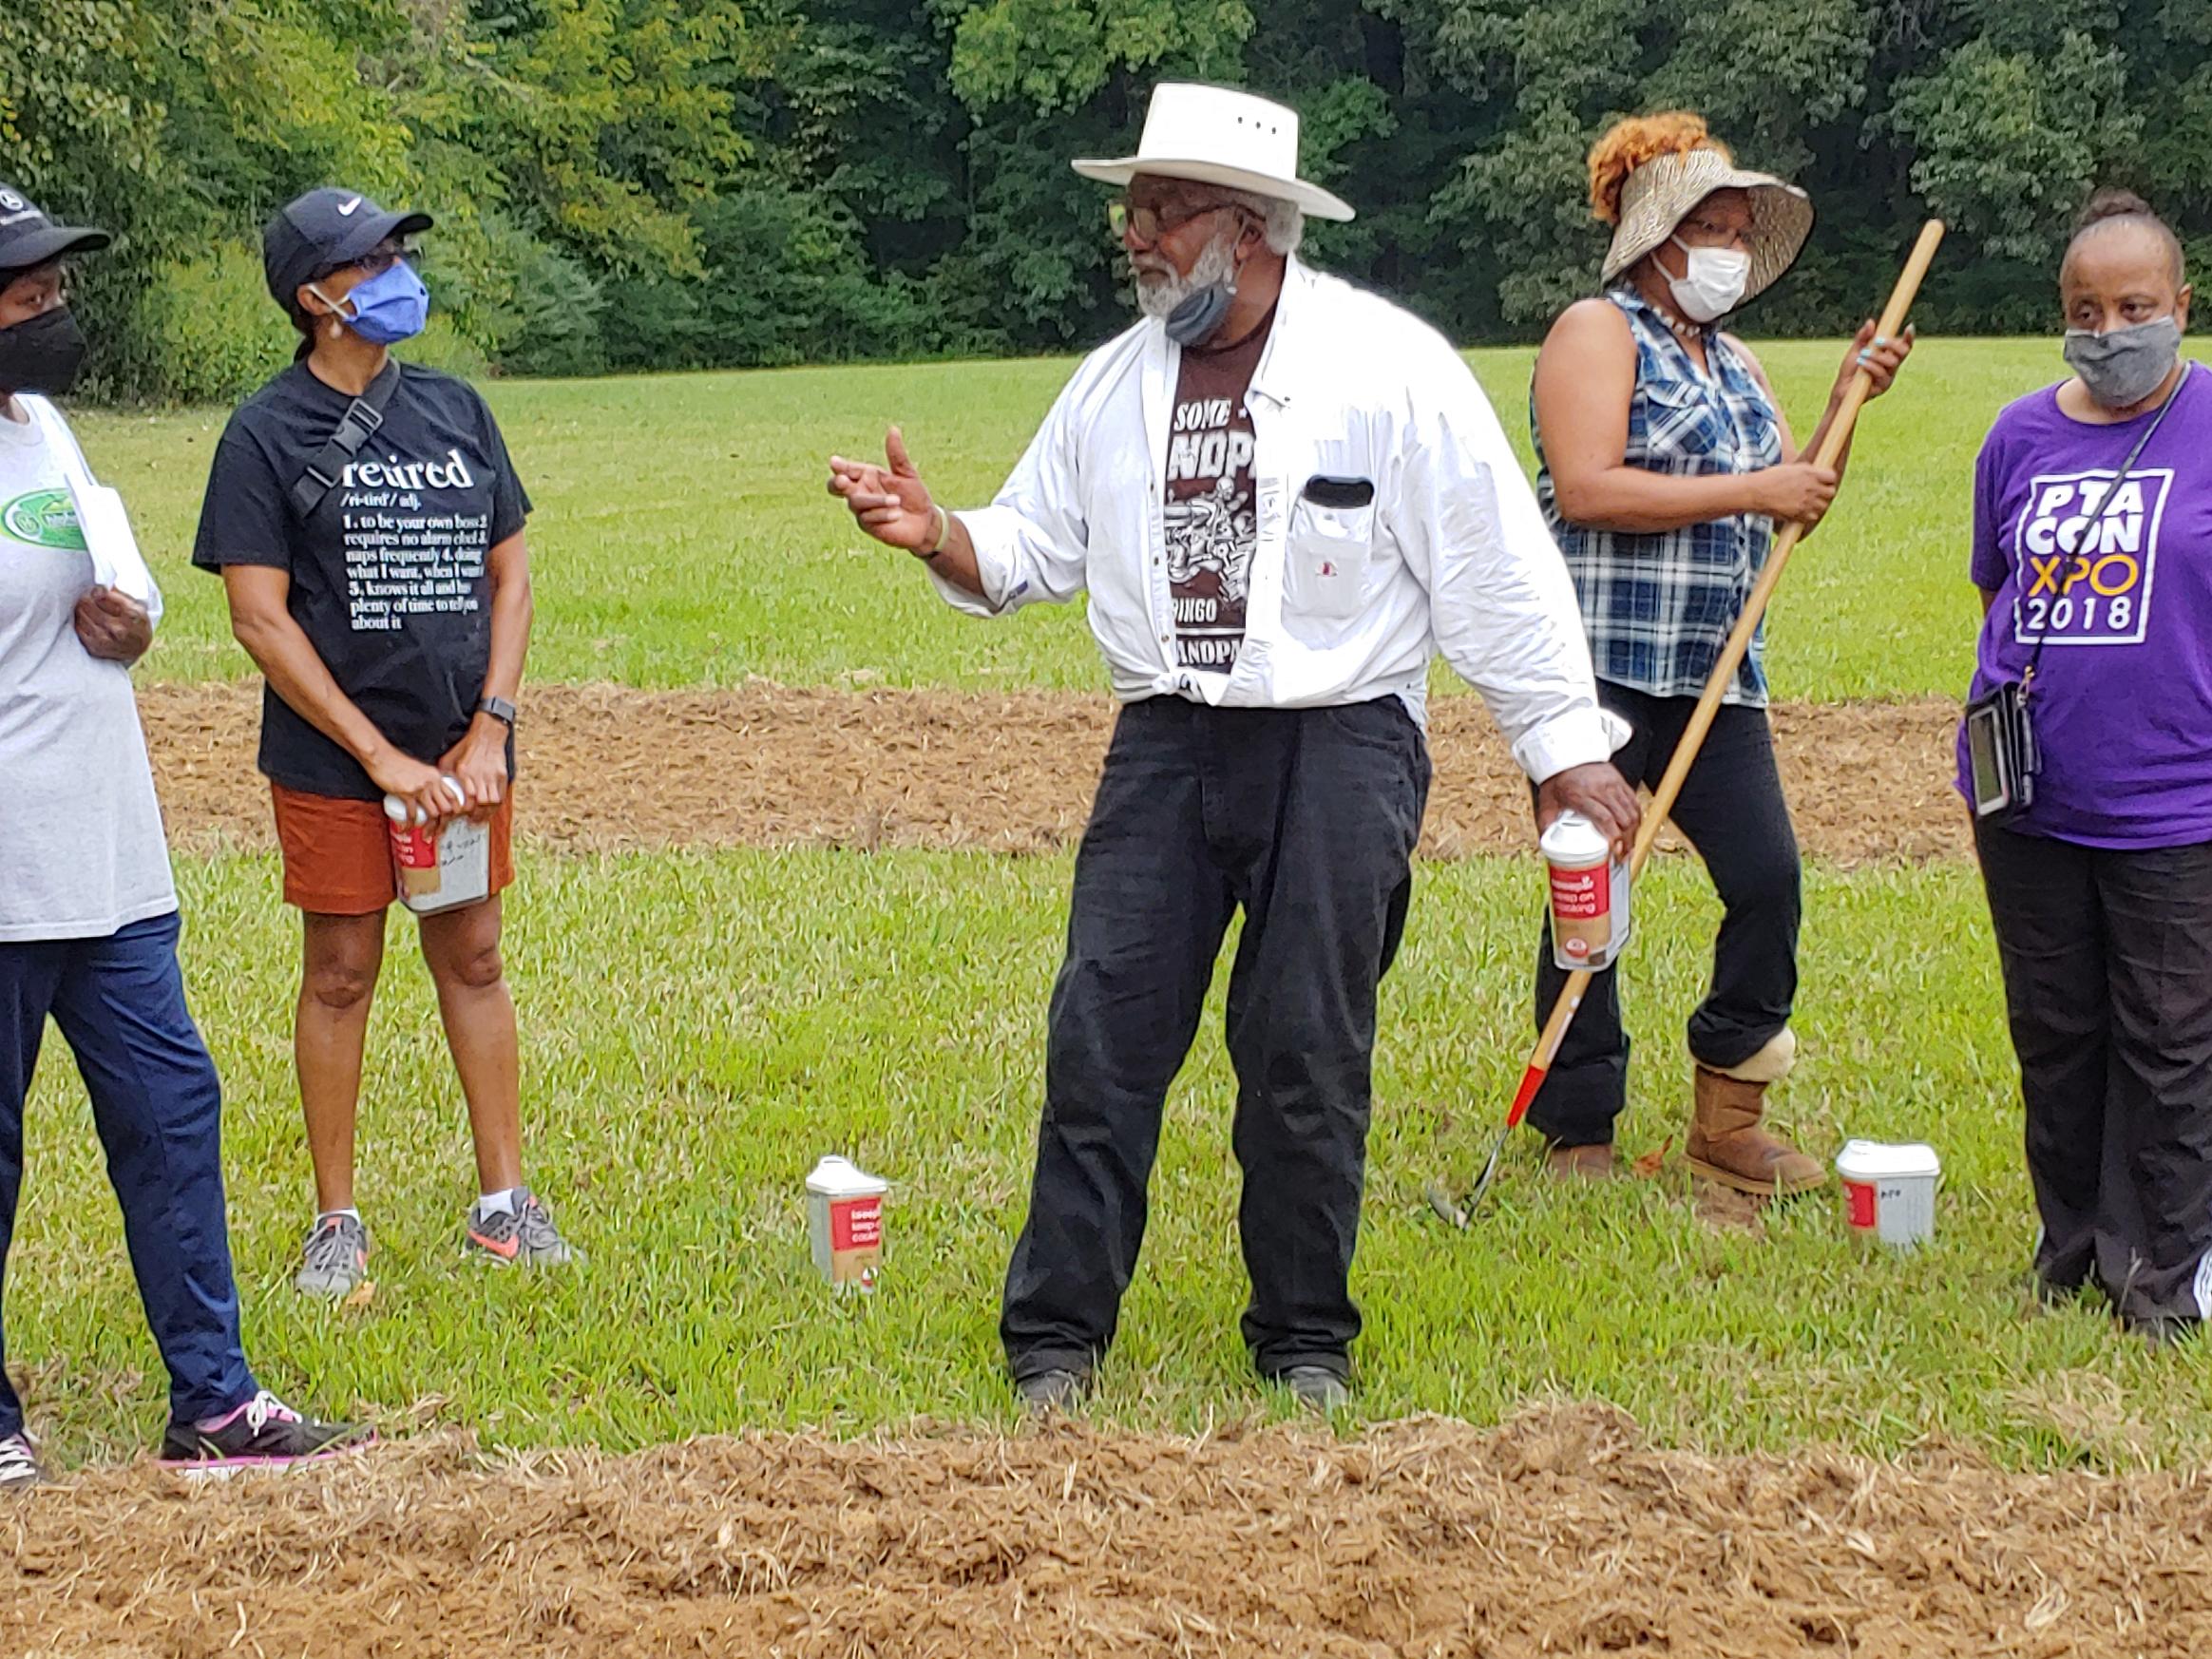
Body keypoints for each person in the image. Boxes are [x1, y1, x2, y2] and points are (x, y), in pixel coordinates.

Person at [830, 84, 1639, 1413]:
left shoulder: (1389, 369)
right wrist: (938, 533)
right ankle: (1055, 1340)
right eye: (1135, 211)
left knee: (1306, 1050)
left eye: (1167, 212)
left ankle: (1304, 1337)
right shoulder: (1113, 382)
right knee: (1102, 1033)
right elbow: (1031, 542)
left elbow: (1493, 564)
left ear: (1252, 226)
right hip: (1166, 741)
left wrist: (1559, 747)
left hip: (1342, 742)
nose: (1138, 235)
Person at [0, 184, 365, 1488]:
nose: (52, 308)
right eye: (26, 287)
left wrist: (134, 624)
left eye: (54, 281)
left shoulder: (41, 426)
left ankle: (212, 1401)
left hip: (107, 863)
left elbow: (127, 586)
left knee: (171, 1110)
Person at [192, 188, 573, 1298]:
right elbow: (260, 618)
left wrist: (489, 729)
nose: (399, 269)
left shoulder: (456, 411)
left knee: (476, 957)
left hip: (463, 757)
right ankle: (337, 1223)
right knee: (342, 972)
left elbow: (510, 575)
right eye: (372, 259)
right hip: (337, 763)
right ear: (315, 299)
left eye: (401, 247)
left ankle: (507, 1204)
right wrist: (377, 759)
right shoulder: (264, 434)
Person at [1527, 113, 1912, 1190]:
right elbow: (1588, 485)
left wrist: (1846, 401)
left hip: (1715, 672)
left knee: (1767, 878)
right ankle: (1579, 1129)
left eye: (1743, 230)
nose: (1732, 249)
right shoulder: (1596, 333)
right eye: (1714, 226)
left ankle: (1729, 1111)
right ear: (1656, 235)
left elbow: (1792, 504)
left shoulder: (1734, 357)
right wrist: (1757, 487)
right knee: (1588, 895)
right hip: (1597, 671)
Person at [1961, 190, 2209, 1342]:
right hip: (2029, 796)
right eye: (2085, 310)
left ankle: (2164, 1270)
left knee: (2169, 1048)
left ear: (2182, 305)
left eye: (2136, 307)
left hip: (2174, 801)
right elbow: (1995, 587)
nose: (2111, 330)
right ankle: (2072, 1250)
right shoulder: (2018, 436)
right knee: (2055, 1033)